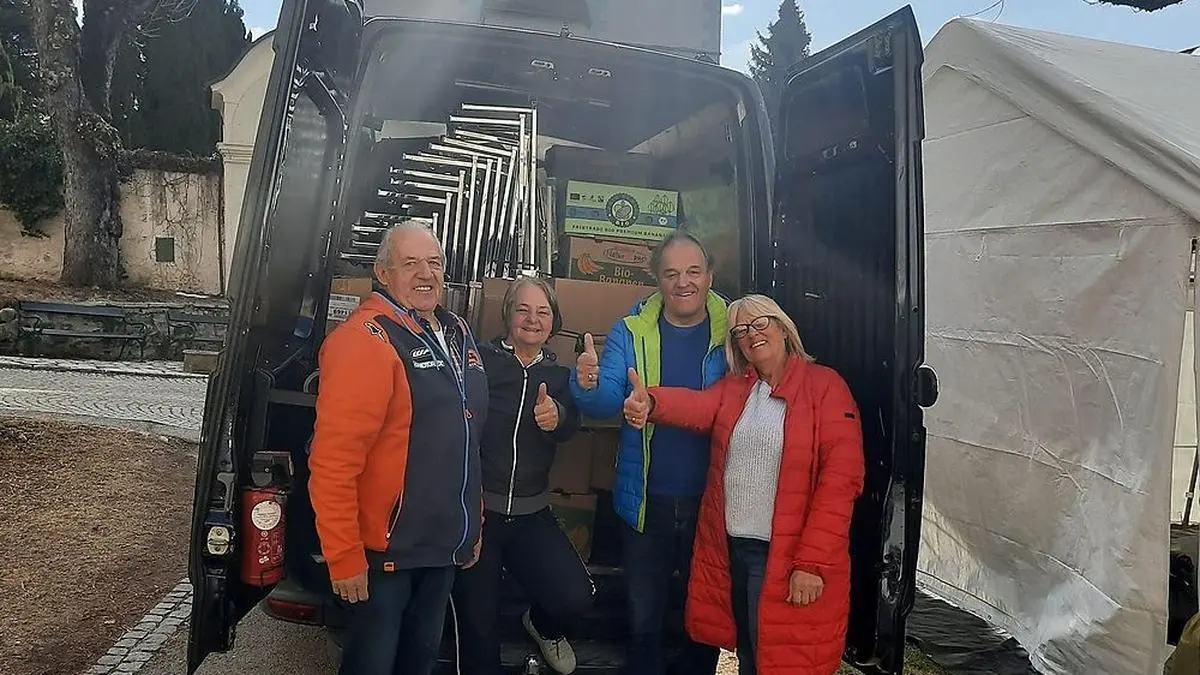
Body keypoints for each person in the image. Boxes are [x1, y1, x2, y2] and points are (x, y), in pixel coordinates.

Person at [622, 294, 866, 675]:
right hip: (733, 548)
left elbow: (841, 482)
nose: (751, 335)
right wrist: (651, 402)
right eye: (740, 331)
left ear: (784, 328)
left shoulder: (825, 387)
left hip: (784, 556)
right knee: (752, 655)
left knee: (778, 662)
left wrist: (812, 564)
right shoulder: (738, 388)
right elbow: (698, 407)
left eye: (760, 324)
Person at [308, 221, 489, 675]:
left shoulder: (456, 331)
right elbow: (333, 462)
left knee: (418, 664)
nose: (425, 273)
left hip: (442, 547)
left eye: (434, 262)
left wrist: (473, 518)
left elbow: (465, 438)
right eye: (410, 263)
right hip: (386, 555)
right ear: (382, 272)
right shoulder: (366, 340)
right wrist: (344, 555)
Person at [571, 230, 726, 674]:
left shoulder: (735, 331)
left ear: (709, 275)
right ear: (657, 279)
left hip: (711, 505)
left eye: (693, 272)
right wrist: (587, 384)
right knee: (644, 621)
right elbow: (604, 402)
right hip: (644, 504)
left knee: (704, 623)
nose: (684, 283)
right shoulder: (631, 329)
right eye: (672, 273)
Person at [452, 276, 594, 675]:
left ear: (554, 322)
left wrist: (558, 417)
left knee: (576, 597)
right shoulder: (478, 361)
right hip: (479, 513)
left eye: (543, 312)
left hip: (532, 513)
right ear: (507, 315)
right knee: (478, 629)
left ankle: (542, 627)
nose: (533, 319)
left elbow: (570, 424)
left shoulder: (561, 376)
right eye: (523, 309)